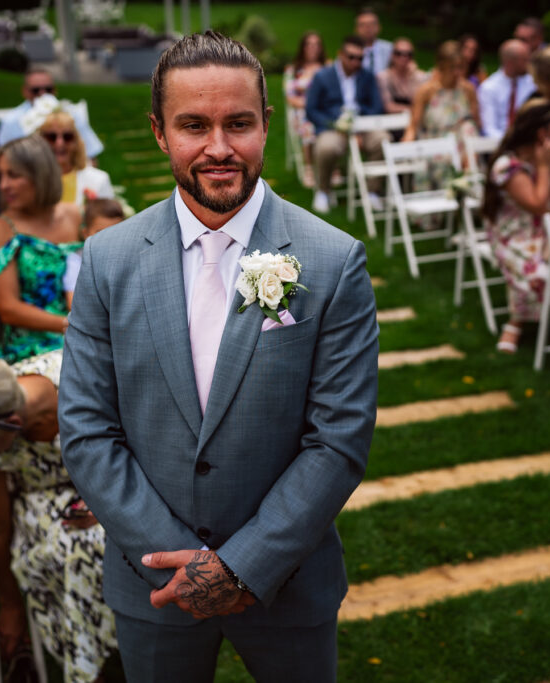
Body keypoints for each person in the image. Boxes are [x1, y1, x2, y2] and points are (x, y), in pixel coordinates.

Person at [58, 31, 378, 682]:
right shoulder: (108, 260)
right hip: (155, 585)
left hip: (288, 582)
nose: (219, 148)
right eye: (193, 125)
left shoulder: (331, 261)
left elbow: (338, 439)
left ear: (267, 125)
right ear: (158, 132)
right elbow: (88, 431)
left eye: (239, 123)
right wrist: (179, 563)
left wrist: (242, 565)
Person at [0, 353, 117, 682]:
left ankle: (100, 664)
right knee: (58, 551)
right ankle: (98, 666)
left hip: (114, 481)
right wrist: (10, 603)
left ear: (13, 425)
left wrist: (105, 503)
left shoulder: (81, 376)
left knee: (90, 542)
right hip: (40, 500)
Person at [0, 136, 82, 364]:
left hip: (86, 335)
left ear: (39, 174)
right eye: (1, 175)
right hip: (31, 348)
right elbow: (9, 309)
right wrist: (77, 327)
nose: (3, 185)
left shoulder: (72, 216)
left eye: (13, 175)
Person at [480, 99, 550, 353]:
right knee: (536, 271)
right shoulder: (507, 166)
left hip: (546, 227)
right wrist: (543, 167)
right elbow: (537, 204)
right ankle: (516, 322)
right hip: (513, 234)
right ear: (542, 132)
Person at [305, 34, 386, 214]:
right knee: (326, 147)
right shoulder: (322, 76)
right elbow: (311, 110)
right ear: (340, 54)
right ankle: (323, 190)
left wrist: (360, 124)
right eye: (351, 57)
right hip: (333, 127)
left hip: (363, 126)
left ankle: (373, 191)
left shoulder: (367, 76)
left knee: (382, 139)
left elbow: (377, 106)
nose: (356, 62)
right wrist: (332, 124)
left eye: (360, 58)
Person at [0, 68, 104, 160]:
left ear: (55, 90)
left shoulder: (72, 114)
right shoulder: (11, 120)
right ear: (25, 91)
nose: (42, 94)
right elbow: (3, 158)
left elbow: (90, 154)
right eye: (36, 90)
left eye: (48, 89)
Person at [403, 40, 479, 145]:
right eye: (452, 67)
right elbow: (413, 127)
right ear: (441, 66)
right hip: (436, 146)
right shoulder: (426, 91)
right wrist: (402, 150)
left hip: (465, 146)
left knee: (468, 128)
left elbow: (476, 123)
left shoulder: (468, 89)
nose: (457, 72)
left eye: (460, 67)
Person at [38, 110, 114, 207]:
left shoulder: (99, 180)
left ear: (76, 142)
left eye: (67, 137)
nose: (59, 143)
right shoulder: (30, 181)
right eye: (51, 137)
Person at [283, 31, 328, 188]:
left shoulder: (327, 67)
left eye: (316, 44)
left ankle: (331, 166)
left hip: (324, 108)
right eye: (309, 44)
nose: (312, 48)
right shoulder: (294, 69)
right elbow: (290, 96)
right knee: (307, 124)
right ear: (303, 47)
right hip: (303, 109)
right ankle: (309, 168)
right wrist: (308, 104)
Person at [63, 198, 125, 309]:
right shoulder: (77, 260)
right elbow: (73, 303)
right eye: (100, 233)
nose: (108, 239)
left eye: (116, 232)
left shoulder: (126, 258)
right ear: (85, 233)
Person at [477, 39, 536, 140]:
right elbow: (489, 128)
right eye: (525, 60)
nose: (529, 64)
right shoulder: (489, 88)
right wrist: (509, 143)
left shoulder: (532, 84)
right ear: (510, 63)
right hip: (498, 144)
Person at [377, 37, 428, 117]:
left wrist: (412, 79)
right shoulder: (383, 77)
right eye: (399, 53)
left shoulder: (420, 77)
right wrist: (411, 109)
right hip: (390, 123)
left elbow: (418, 102)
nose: (404, 58)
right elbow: (389, 107)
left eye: (408, 54)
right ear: (392, 56)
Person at [355, 7, 392, 74]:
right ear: (356, 29)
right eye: (363, 25)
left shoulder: (390, 49)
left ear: (379, 27)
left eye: (371, 24)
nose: (367, 28)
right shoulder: (351, 51)